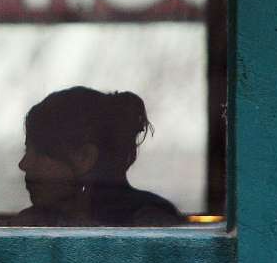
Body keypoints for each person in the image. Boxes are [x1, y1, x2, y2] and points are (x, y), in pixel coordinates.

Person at [12, 86, 182, 227]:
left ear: (85, 157)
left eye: (39, 153)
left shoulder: (149, 225)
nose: (23, 164)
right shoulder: (35, 224)